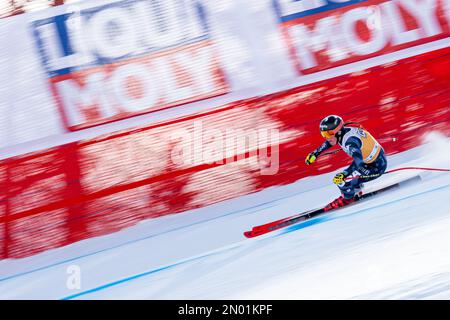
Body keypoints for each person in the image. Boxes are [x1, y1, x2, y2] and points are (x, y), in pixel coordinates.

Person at [305, 115, 387, 210]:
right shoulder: (343, 133)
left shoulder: (350, 142)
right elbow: (330, 142)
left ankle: (348, 198)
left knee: (339, 180)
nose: (326, 137)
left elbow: (358, 161)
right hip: (373, 161)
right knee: (347, 176)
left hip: (376, 166)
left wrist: (344, 174)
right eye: (323, 134)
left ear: (338, 131)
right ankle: (356, 188)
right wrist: (315, 153)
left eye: (328, 134)